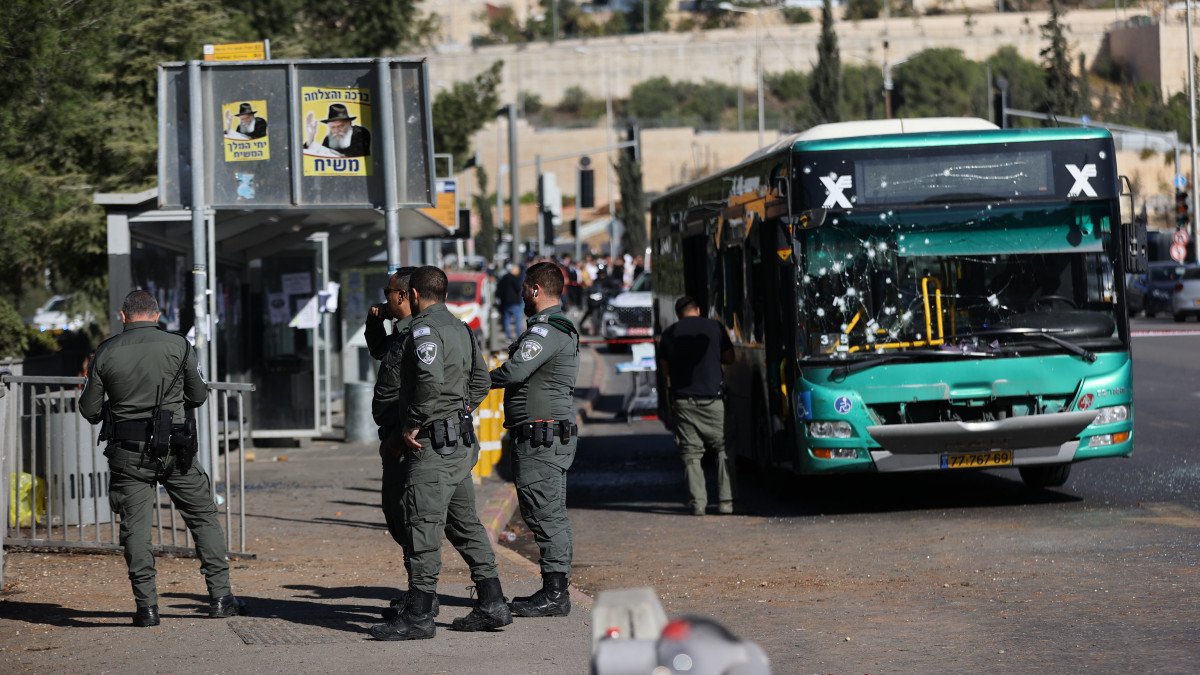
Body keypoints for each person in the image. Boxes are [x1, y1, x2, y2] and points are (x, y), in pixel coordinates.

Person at [79, 290, 244, 627]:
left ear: (123, 317)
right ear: (157, 315)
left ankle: (147, 609)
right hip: (176, 451)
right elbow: (198, 396)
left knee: (136, 531)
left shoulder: (105, 352)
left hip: (128, 455)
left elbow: (89, 410)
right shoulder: (180, 346)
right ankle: (220, 598)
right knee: (203, 518)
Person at [369, 266, 512, 640]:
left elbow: (429, 382)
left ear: (413, 295)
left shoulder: (422, 330)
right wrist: (458, 411)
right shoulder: (462, 328)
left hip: (432, 447)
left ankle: (418, 615)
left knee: (422, 527)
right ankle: (493, 601)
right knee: (464, 525)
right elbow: (481, 380)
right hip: (459, 443)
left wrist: (414, 422)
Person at [489, 261, 580, 617]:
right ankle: (555, 590)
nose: (522, 293)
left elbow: (515, 370)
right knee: (549, 513)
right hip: (545, 436)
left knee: (545, 514)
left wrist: (475, 378)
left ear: (536, 289)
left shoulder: (546, 330)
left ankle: (555, 594)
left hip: (542, 439)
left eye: (525, 287)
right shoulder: (554, 327)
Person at [365, 267, 430, 618]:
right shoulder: (399, 332)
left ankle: (421, 597)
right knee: (397, 519)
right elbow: (379, 351)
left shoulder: (416, 335)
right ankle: (417, 592)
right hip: (392, 438)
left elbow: (424, 391)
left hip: (403, 439)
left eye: (388, 292)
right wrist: (374, 321)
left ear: (403, 295)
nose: (384, 298)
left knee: (408, 519)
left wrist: (398, 437)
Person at [659, 296, 736, 516]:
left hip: (683, 402)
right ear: (699, 309)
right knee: (724, 448)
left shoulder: (668, 334)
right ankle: (727, 502)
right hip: (713, 401)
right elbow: (730, 358)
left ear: (678, 314)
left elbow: (667, 370)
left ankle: (698, 505)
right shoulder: (714, 327)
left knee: (691, 454)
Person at [303, 103, 371, 158]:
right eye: (333, 127)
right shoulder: (328, 139)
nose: (337, 130)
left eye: (341, 126)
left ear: (350, 123)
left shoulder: (360, 133)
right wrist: (310, 140)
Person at [496, 263, 524, 341]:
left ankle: (508, 336)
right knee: (518, 319)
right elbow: (518, 288)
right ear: (514, 270)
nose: (519, 271)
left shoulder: (503, 278)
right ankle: (519, 336)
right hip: (515, 302)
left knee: (507, 319)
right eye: (517, 270)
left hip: (506, 303)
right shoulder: (514, 279)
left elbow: (499, 290)